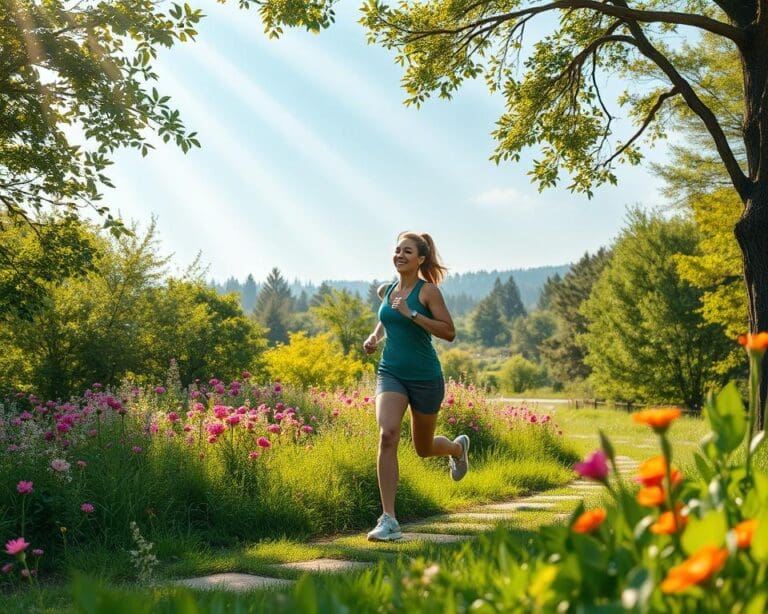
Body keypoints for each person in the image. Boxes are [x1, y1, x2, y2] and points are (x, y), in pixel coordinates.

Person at [362, 231, 469, 542]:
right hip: (391, 373)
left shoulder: (428, 293)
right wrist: (374, 337)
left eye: (407, 251)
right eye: (397, 250)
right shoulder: (389, 290)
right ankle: (389, 519)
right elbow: (387, 317)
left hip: (425, 378)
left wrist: (413, 314)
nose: (400, 255)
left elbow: (449, 332)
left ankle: (456, 448)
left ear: (420, 258)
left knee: (423, 448)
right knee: (388, 433)